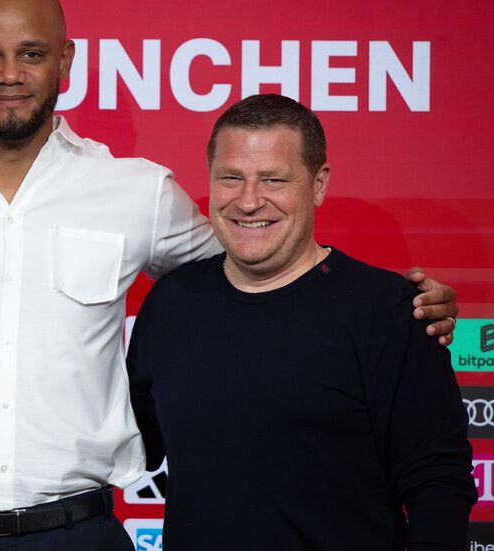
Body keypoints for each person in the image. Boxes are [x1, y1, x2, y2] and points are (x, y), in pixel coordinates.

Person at [0, 1, 460, 548]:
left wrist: (389, 308)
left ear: (65, 61)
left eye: (32, 53)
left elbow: (261, 266)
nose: (10, 74)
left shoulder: (138, 191)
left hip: (81, 532)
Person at [127, 94, 477, 550]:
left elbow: (439, 480)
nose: (249, 201)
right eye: (231, 178)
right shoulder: (172, 302)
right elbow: (129, 442)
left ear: (318, 184)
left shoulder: (389, 311)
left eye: (274, 179)